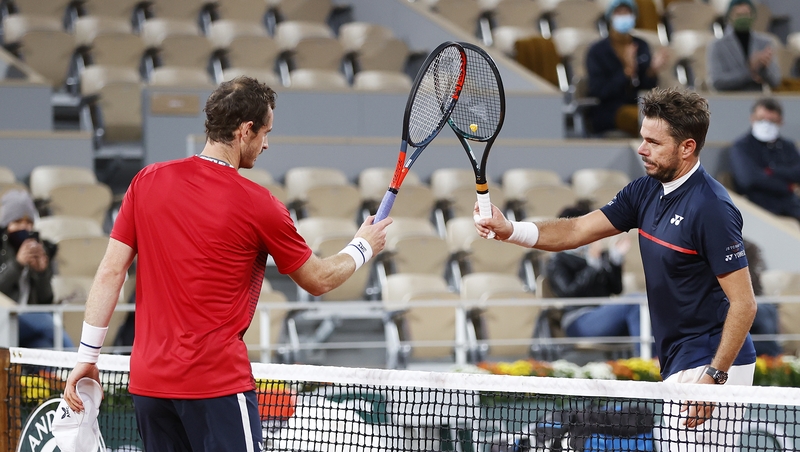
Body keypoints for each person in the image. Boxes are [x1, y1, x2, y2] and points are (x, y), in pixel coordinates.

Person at [62, 76, 392, 452]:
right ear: (245, 130)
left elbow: (110, 272)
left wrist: (87, 357)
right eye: (265, 133)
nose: (266, 144)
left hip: (150, 388)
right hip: (216, 387)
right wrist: (362, 247)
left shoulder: (146, 181)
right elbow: (318, 279)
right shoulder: (260, 204)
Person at [476, 87, 757, 451]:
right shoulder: (644, 190)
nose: (642, 149)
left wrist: (714, 378)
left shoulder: (712, 208)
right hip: (681, 360)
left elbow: (745, 303)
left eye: (654, 142)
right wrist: (510, 230)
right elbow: (576, 229)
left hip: (712, 361)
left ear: (687, 147)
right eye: (642, 139)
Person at [545, 202, 641, 351]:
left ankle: (655, 364)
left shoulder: (598, 255)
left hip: (604, 313)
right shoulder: (558, 260)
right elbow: (569, 293)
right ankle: (651, 362)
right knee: (636, 301)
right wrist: (592, 265)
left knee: (645, 304)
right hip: (578, 320)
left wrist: (615, 260)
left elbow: (616, 289)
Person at [0, 189, 73, 349]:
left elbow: (45, 300)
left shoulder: (42, 248)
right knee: (48, 322)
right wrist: (17, 264)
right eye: (18, 222)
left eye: (28, 222)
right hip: (4, 320)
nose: (24, 227)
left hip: (30, 324)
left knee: (45, 347)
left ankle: (70, 371)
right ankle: (78, 367)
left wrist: (42, 273)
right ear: (6, 224)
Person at [586, 0, 667, 137]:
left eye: (627, 12)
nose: (624, 16)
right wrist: (626, 72)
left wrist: (651, 72)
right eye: (619, 12)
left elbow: (646, 88)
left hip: (639, 105)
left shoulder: (641, 45)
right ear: (610, 16)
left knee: (670, 119)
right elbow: (599, 91)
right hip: (609, 109)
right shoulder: (597, 51)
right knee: (645, 121)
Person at [729, 97, 800, 222]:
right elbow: (749, 179)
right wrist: (786, 186)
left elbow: (797, 172)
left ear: (780, 121)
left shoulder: (787, 146)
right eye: (761, 119)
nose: (766, 124)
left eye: (772, 121)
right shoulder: (742, 146)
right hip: (758, 207)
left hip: (791, 206)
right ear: (752, 119)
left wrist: (772, 171)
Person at [707, 0, 781, 92]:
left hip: (757, 100)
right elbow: (717, 81)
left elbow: (775, 81)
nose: (743, 18)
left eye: (746, 14)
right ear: (729, 16)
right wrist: (750, 71)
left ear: (753, 16)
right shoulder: (717, 46)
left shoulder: (765, 43)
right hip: (729, 101)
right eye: (738, 14)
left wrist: (763, 68)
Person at [744, 239, 782, 357]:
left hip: (755, 299)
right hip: (737, 300)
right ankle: (773, 356)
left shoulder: (750, 247)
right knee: (762, 312)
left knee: (768, 310)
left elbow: (754, 282)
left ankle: (774, 359)